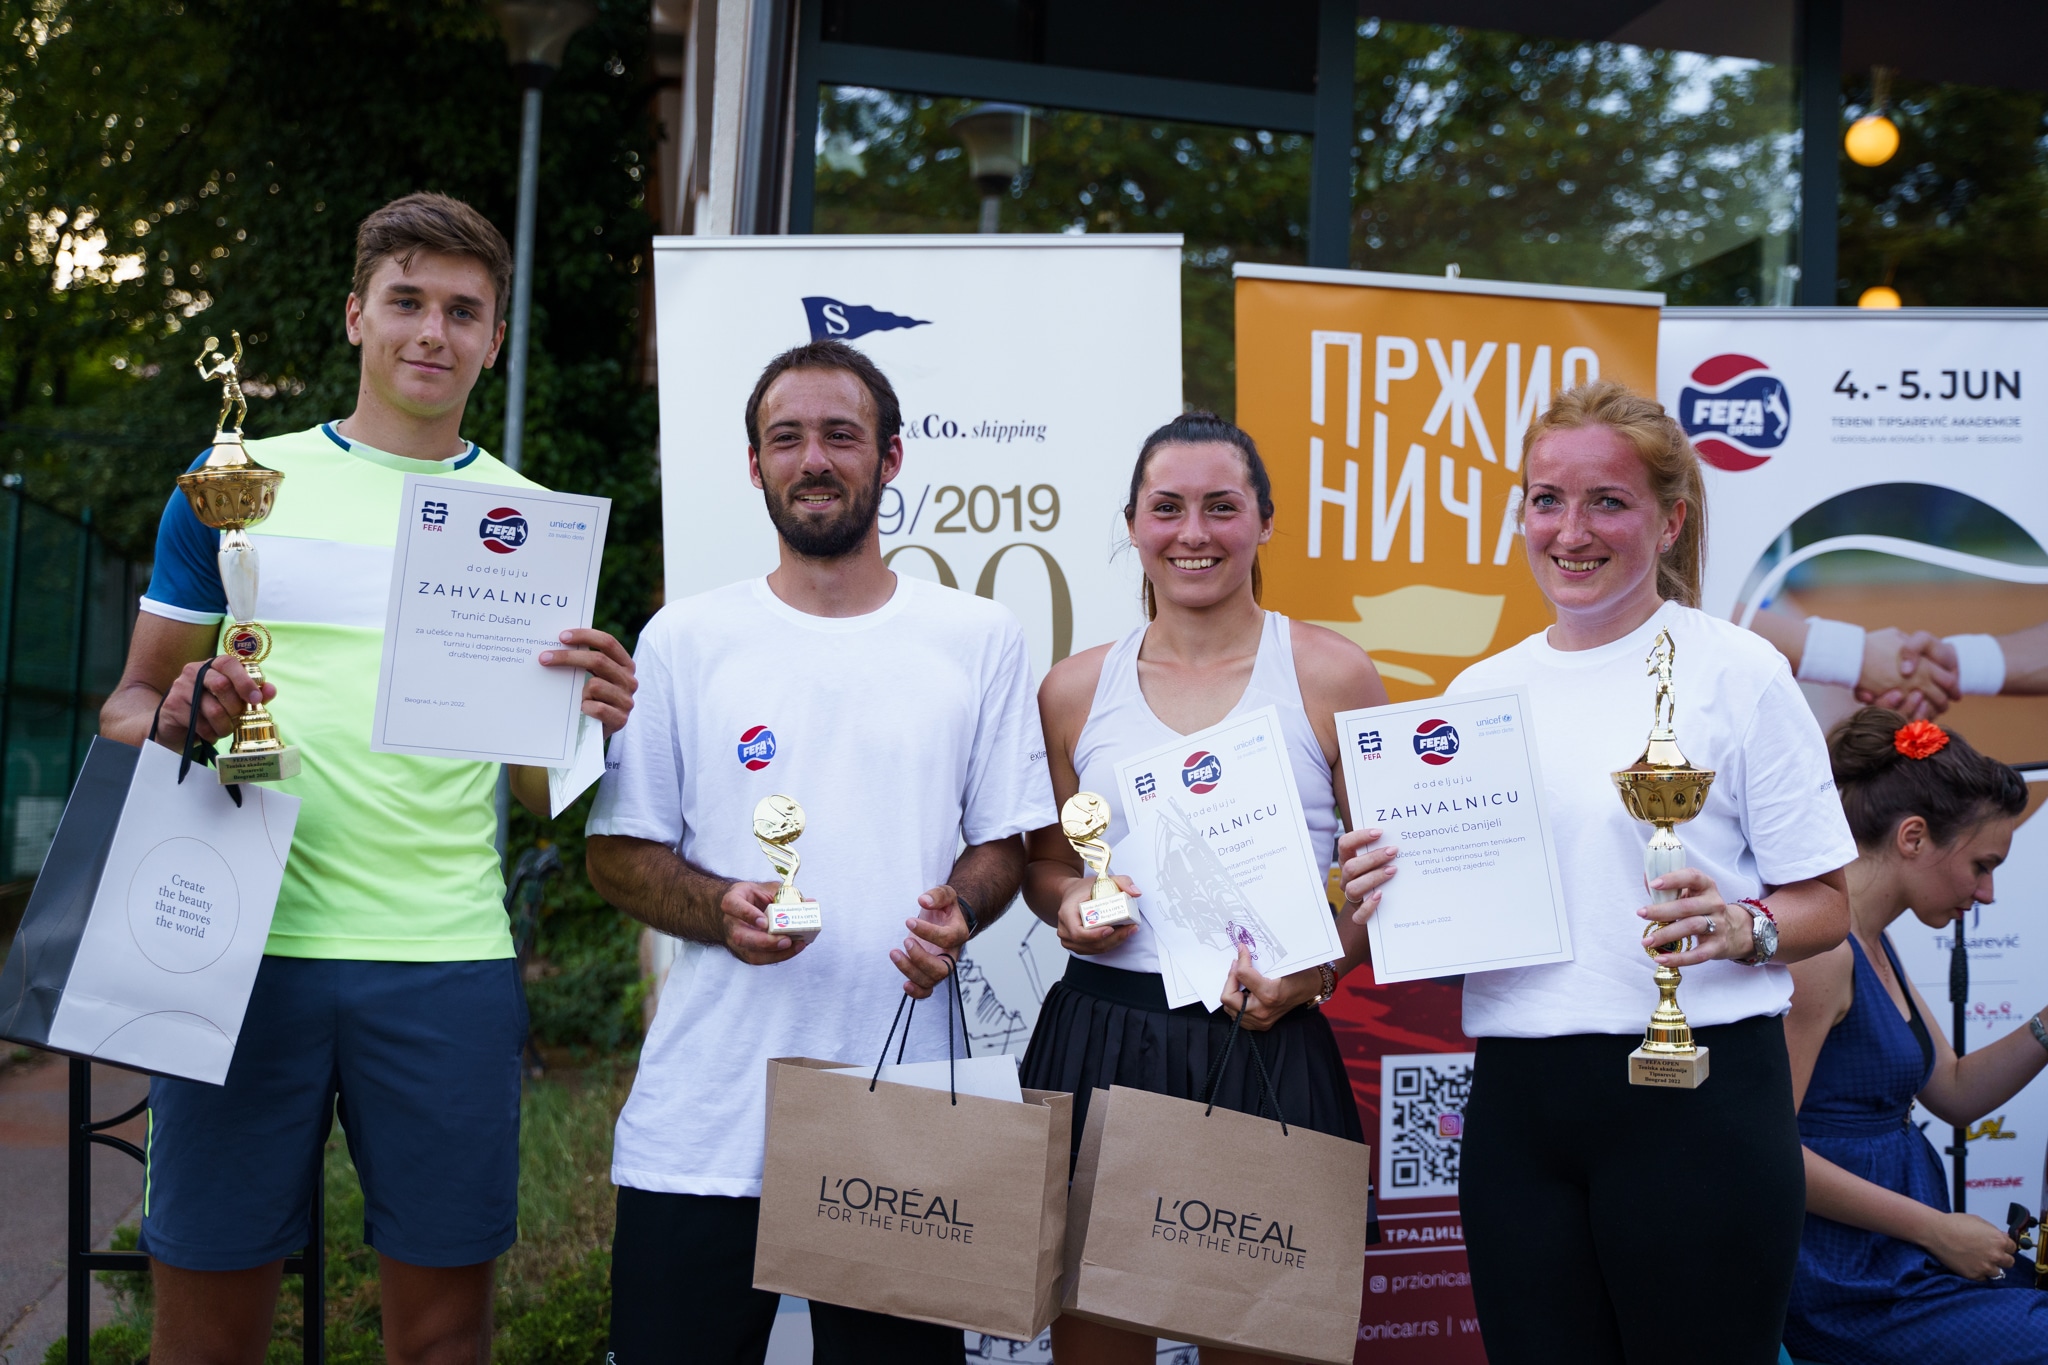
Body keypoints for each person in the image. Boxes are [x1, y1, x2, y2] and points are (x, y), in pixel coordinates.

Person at [100, 193, 638, 1365]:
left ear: (494, 338)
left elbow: (544, 796)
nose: (431, 332)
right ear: (356, 316)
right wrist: (183, 706)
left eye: (462, 310)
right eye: (406, 301)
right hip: (236, 950)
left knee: (443, 1343)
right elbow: (128, 705)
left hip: (442, 956)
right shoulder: (236, 480)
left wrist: (596, 720)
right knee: (202, 1340)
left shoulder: (532, 525)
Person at [584, 339, 1055, 1364]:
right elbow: (617, 856)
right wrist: (718, 910)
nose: (813, 459)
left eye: (840, 435)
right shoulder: (682, 639)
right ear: (753, 466)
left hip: (896, 1115)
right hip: (705, 1125)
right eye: (784, 438)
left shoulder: (975, 636)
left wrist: (961, 913)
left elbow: (1005, 843)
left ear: (890, 457)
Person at [1447, 381, 1855, 1365]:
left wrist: (1739, 926)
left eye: (1606, 502)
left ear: (1669, 519)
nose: (1569, 530)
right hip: (1521, 1106)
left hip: (1698, 1098)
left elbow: (1825, 905)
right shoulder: (1475, 694)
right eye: (1545, 499)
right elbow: (1451, 900)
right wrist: (1379, 883)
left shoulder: (1737, 671)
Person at [1015, 411, 1392, 1365]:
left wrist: (1315, 970)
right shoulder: (1073, 690)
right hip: (1102, 1032)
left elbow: (1394, 873)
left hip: (1267, 1036)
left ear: (1265, 520)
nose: (1194, 532)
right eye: (1168, 507)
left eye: (1222, 507)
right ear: (1133, 524)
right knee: (1096, 1346)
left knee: (1265, 1342)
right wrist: (1067, 904)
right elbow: (1048, 861)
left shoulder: (1329, 672)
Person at [1782, 706, 2047, 1362]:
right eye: (1981, 864)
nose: (1986, 893)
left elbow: (1954, 1090)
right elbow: (1768, 1148)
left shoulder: (1873, 941)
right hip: (1846, 1283)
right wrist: (1937, 1229)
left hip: (1903, 1265)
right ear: (1913, 836)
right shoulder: (1823, 955)